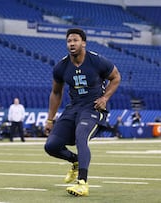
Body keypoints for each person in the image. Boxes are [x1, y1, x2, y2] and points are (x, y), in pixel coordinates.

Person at [44, 28, 121, 197]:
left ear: (83, 43)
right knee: (51, 146)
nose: (71, 43)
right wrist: (50, 119)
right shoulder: (61, 67)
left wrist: (105, 98)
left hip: (93, 108)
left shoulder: (97, 61)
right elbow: (56, 93)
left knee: (81, 137)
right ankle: (75, 161)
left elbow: (116, 77)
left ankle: (82, 183)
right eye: (69, 41)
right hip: (74, 108)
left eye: (75, 40)